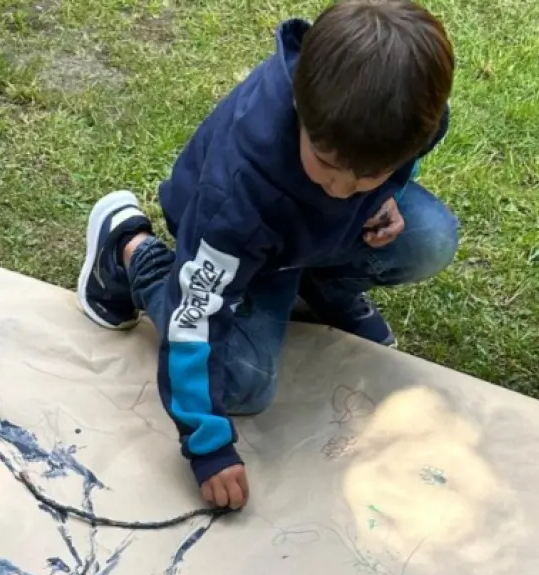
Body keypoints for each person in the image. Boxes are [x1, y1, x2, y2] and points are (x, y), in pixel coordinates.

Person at [76, 0, 459, 511]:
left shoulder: (401, 119)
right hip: (244, 253)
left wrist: (386, 190)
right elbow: (195, 317)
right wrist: (207, 445)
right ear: (300, 106)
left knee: (431, 238)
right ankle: (129, 249)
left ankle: (322, 288)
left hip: (306, 236)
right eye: (325, 164)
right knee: (243, 384)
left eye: (368, 173)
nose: (341, 188)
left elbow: (385, 164)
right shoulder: (239, 194)